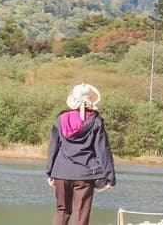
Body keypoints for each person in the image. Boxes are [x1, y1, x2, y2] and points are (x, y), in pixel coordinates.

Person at [46, 83, 116, 225]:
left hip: (61, 172)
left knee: (62, 210)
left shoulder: (61, 119)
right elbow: (102, 150)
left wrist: (50, 172)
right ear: (91, 100)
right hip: (85, 175)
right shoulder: (96, 121)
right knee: (81, 214)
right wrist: (110, 177)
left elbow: (53, 147)